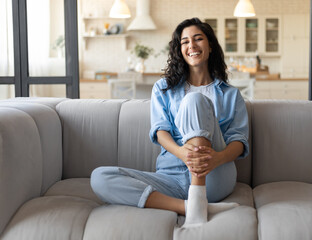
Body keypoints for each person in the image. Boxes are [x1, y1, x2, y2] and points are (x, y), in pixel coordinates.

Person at [90, 17, 249, 227]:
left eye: (198, 39)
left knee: (194, 100)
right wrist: (183, 153)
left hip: (215, 175)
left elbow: (238, 141)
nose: (191, 45)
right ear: (179, 49)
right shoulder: (163, 88)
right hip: (171, 177)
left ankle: (197, 200)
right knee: (99, 177)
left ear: (210, 45)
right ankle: (190, 206)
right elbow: (160, 131)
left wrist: (216, 159)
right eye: (184, 42)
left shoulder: (230, 95)